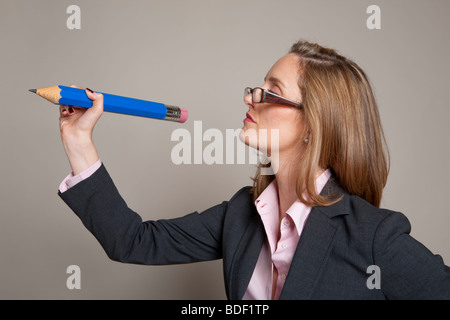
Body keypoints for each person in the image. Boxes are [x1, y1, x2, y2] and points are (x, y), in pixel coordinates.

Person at [57, 40, 450, 299]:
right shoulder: (240, 213)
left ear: (314, 123)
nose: (250, 98)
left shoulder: (374, 236)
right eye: (256, 87)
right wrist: (79, 141)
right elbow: (132, 241)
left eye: (270, 91)